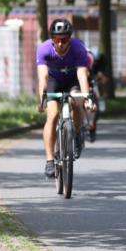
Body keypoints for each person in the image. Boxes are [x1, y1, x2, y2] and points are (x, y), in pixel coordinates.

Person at [36, 18, 94, 179]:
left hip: (72, 80)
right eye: (57, 39)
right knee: (53, 115)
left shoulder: (78, 48)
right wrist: (41, 99)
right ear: (52, 39)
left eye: (64, 39)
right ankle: (49, 161)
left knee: (77, 102)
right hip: (53, 81)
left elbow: (82, 75)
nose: (60, 43)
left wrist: (87, 98)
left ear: (70, 38)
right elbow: (43, 77)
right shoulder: (44, 49)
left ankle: (76, 134)